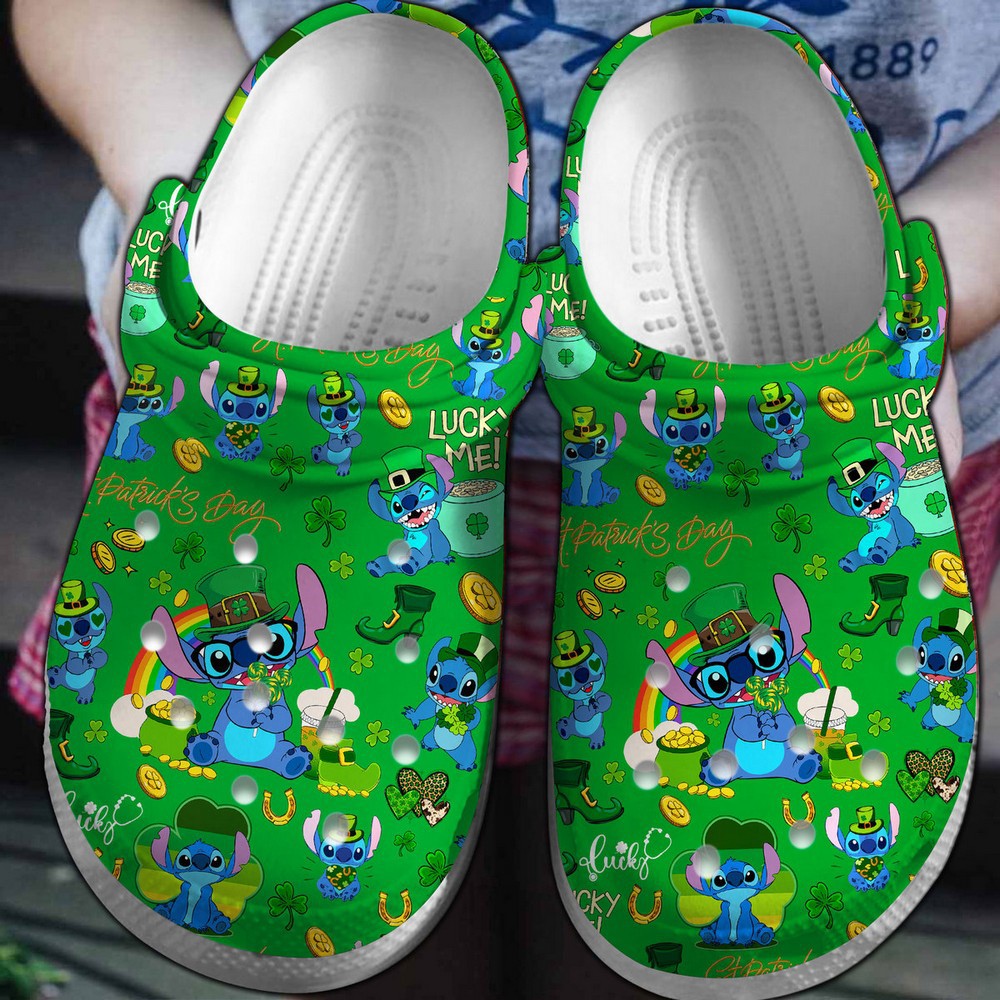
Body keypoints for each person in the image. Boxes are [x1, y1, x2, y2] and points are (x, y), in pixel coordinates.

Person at [11, 0, 1000, 767]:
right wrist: (188, 196)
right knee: (341, 894)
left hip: (839, 440)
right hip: (263, 393)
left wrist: (933, 279)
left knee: (656, 906)